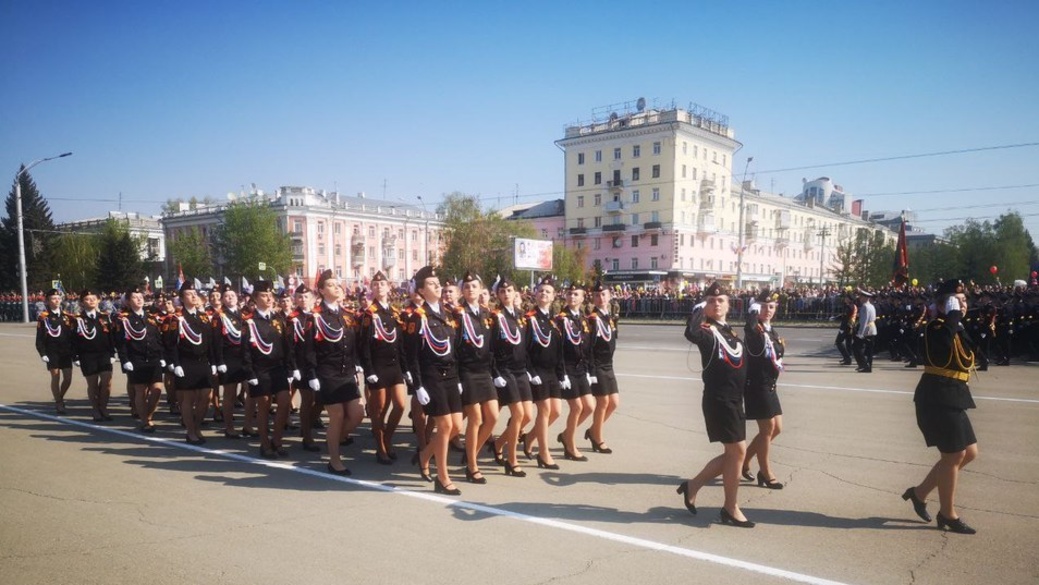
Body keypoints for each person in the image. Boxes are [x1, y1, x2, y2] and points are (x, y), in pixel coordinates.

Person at [903, 279, 979, 534]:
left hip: (954, 394)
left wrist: (956, 319)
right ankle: (948, 514)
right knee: (954, 455)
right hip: (937, 397)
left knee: (969, 453)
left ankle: (919, 493)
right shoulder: (935, 327)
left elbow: (969, 351)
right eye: (957, 301)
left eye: (964, 300)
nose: (963, 305)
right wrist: (951, 316)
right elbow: (944, 350)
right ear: (944, 303)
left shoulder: (954, 326)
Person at [679, 282, 754, 528]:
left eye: (721, 300)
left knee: (735, 453)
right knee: (737, 452)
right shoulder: (705, 330)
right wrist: (698, 314)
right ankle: (730, 508)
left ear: (729, 304)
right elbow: (691, 333)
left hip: (735, 398)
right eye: (711, 301)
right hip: (719, 399)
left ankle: (693, 485)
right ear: (705, 306)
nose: (717, 304)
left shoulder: (729, 331)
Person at [405, 266, 464, 495]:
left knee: (456, 427)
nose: (437, 286)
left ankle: (423, 455)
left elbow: (454, 349)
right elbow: (412, 356)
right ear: (420, 290)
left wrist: (457, 377)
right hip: (431, 376)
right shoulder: (416, 317)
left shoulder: (448, 314)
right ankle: (443, 478)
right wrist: (417, 386)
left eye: (437, 282)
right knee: (445, 426)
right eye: (431, 283)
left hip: (450, 374)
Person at [303, 270, 364, 475]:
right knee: (336, 416)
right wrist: (312, 374)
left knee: (357, 414)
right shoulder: (315, 317)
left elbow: (352, 343)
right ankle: (335, 460)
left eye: (337, 284)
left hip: (346, 372)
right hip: (327, 372)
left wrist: (356, 364)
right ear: (321, 290)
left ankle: (334, 440)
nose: (336, 287)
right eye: (330, 285)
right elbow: (309, 348)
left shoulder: (346, 315)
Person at [243, 281, 298, 458]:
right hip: (260, 369)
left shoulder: (278, 319)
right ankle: (265, 444)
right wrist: (250, 373)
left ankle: (277, 440)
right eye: (264, 295)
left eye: (270, 295)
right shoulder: (250, 322)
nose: (269, 298)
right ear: (255, 298)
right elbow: (245, 350)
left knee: (284, 403)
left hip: (278, 368)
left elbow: (287, 345)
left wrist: (290, 369)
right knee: (264, 406)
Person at [454, 271, 498, 484]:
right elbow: (454, 347)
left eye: (474, 286)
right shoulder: (457, 314)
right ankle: (472, 466)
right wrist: (458, 377)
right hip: (468, 372)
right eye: (467, 286)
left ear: (481, 290)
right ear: (462, 291)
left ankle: (472, 452)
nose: (471, 289)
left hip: (484, 372)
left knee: (493, 417)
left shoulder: (485, 313)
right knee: (476, 419)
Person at [359, 271, 408, 465]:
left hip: (394, 366)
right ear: (372, 289)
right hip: (378, 367)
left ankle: (387, 437)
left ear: (389, 287)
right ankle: (380, 447)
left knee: (400, 405)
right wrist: (368, 370)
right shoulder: (369, 314)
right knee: (378, 410)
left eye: (383, 284)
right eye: (376, 285)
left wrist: (406, 368)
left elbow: (401, 343)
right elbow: (364, 346)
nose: (380, 287)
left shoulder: (395, 313)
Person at [741, 289, 785, 489]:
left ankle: (744, 460)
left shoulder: (770, 330)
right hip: (757, 385)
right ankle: (765, 473)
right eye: (764, 307)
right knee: (767, 429)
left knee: (777, 428)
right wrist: (752, 313)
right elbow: (749, 328)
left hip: (770, 385)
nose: (768, 310)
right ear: (756, 308)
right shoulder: (754, 329)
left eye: (772, 307)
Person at [490, 276, 534, 477]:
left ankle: (499, 443)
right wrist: (496, 373)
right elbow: (490, 349)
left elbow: (525, 347)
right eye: (502, 291)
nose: (506, 294)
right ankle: (512, 459)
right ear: (498, 295)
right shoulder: (494, 317)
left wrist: (529, 371)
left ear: (515, 293)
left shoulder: (520, 316)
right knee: (517, 414)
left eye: (509, 291)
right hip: (505, 371)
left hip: (520, 370)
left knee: (527, 416)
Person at [163, 281, 214, 445]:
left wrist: (213, 362)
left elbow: (210, 341)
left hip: (203, 362)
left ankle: (197, 425)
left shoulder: (203, 317)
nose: (193, 296)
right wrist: (174, 364)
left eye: (195, 293)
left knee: (206, 397)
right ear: (182, 298)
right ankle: (191, 431)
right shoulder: (176, 318)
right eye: (189, 294)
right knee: (188, 399)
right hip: (185, 362)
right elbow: (171, 343)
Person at [522, 276, 565, 469]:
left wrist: (562, 374)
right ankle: (544, 453)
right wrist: (531, 371)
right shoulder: (529, 319)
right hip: (537, 371)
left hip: (552, 372)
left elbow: (559, 350)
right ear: (535, 295)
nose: (544, 294)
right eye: (541, 291)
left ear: (554, 296)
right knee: (545, 411)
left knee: (556, 411)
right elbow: (524, 349)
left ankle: (530, 436)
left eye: (548, 291)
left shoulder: (554, 320)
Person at [114, 287, 166, 433]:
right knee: (140, 391)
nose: (139, 299)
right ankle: (145, 421)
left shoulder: (151, 317)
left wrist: (162, 357)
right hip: (136, 360)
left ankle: (148, 414)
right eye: (135, 298)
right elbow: (121, 342)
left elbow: (158, 338)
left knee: (156, 390)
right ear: (129, 302)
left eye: (141, 297)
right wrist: (125, 360)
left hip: (154, 358)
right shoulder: (124, 319)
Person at [555, 282, 594, 461]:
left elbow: (586, 347)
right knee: (577, 407)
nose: (572, 297)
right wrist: (561, 374)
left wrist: (587, 370)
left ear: (583, 298)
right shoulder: (561, 319)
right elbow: (559, 349)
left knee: (589, 407)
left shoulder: (584, 320)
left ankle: (565, 434)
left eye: (576, 294)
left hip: (580, 368)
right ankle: (570, 446)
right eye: (570, 294)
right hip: (567, 368)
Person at [72, 288, 117, 421]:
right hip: (87, 355)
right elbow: (73, 339)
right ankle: (95, 409)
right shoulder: (77, 319)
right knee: (92, 384)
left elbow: (111, 337)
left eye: (93, 298)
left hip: (104, 354)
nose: (90, 301)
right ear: (82, 302)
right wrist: (75, 356)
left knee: (107, 382)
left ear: (98, 300)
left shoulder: (104, 317)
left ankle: (103, 407)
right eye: (87, 299)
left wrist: (112, 353)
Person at [585, 280, 619, 454]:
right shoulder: (592, 319)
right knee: (603, 402)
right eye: (596, 295)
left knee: (614, 403)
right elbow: (588, 347)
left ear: (609, 296)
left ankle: (593, 430)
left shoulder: (610, 317)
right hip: (597, 365)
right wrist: (590, 370)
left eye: (603, 294)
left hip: (608, 365)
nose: (600, 298)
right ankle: (597, 438)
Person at [212, 285, 250, 438]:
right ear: (222, 299)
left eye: (232, 295)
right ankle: (229, 427)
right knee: (230, 394)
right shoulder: (219, 316)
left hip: (245, 358)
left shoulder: (244, 315)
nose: (230, 298)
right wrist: (219, 361)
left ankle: (247, 426)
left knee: (252, 392)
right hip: (229, 359)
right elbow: (217, 341)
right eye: (226, 296)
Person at [288, 285, 322, 452]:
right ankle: (307, 437)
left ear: (313, 298)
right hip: (302, 365)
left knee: (321, 400)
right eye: (299, 297)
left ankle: (306, 425)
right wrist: (294, 367)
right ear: (296, 299)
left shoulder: (319, 316)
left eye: (306, 296)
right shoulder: (293, 319)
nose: (303, 300)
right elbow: (290, 346)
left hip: (321, 364)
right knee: (307, 401)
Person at [35, 288, 75, 414]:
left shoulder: (67, 317)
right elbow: (39, 339)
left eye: (58, 298)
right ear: (47, 301)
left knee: (68, 378)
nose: (56, 300)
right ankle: (59, 402)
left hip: (66, 351)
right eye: (53, 298)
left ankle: (60, 396)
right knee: (56, 377)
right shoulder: (44, 318)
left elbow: (72, 336)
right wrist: (43, 353)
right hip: (52, 351)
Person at [853, 289, 877, 373]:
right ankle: (867, 366)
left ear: (865, 298)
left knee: (856, 347)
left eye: (861, 296)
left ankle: (863, 364)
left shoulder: (865, 307)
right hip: (872, 329)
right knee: (869, 350)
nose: (860, 298)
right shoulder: (871, 306)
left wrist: (860, 333)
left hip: (867, 330)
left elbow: (864, 321)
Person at [835, 293, 857, 366]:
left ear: (849, 299)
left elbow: (845, 317)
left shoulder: (849, 307)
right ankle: (848, 358)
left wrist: (836, 318)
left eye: (846, 298)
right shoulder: (853, 306)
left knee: (838, 342)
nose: (845, 299)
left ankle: (847, 357)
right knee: (848, 343)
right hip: (851, 326)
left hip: (846, 327)